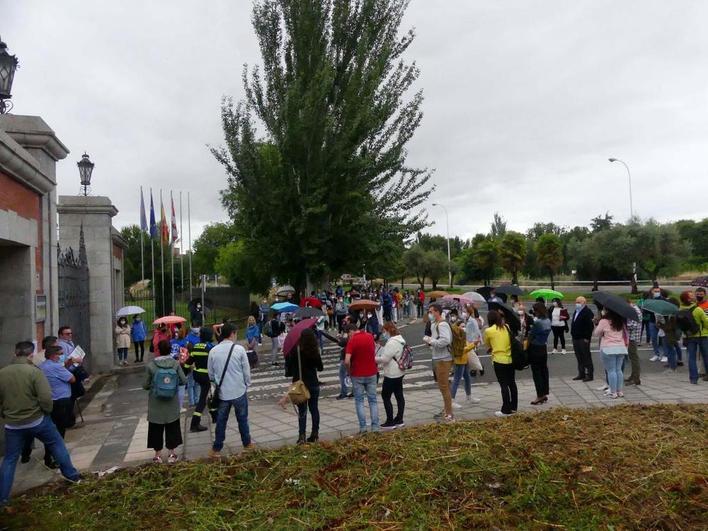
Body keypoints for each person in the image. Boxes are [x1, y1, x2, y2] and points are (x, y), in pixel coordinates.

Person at [0, 342, 81, 504]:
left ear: (15, 354)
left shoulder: (2, 373)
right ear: (31, 355)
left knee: (9, 459)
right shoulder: (34, 372)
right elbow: (45, 397)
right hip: (37, 419)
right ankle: (72, 476)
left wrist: (5, 414)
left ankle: (2, 498)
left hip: (13, 424)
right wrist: (45, 412)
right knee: (56, 443)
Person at [208, 323, 253, 457]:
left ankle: (216, 448)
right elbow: (246, 371)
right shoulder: (239, 349)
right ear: (232, 333)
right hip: (239, 390)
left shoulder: (213, 351)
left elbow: (210, 374)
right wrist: (246, 384)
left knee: (221, 421)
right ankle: (247, 444)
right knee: (242, 420)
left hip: (222, 393)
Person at [38, 345, 76, 468]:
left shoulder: (41, 367)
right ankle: (56, 457)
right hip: (61, 401)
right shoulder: (56, 367)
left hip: (50, 401)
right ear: (54, 355)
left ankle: (49, 456)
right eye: (60, 354)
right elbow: (72, 379)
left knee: (51, 430)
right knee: (59, 431)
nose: (62, 356)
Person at [286, 328, 323, 444]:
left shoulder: (295, 350)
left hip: (300, 385)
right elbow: (321, 367)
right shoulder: (314, 351)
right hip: (313, 383)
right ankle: (315, 433)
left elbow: (290, 370)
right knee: (314, 409)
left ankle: (301, 436)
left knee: (302, 411)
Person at [344, 323, 379, 433]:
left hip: (357, 374)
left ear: (351, 331)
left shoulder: (352, 341)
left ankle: (363, 428)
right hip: (372, 372)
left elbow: (346, 360)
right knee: (373, 400)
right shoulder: (369, 336)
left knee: (359, 401)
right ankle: (375, 427)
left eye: (348, 334)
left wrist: (349, 371)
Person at [422, 303, 454, 422]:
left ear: (437, 312)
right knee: (443, 386)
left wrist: (430, 340)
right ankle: (446, 410)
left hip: (443, 358)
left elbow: (445, 341)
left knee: (444, 387)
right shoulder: (434, 324)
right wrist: (430, 343)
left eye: (431, 312)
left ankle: (449, 414)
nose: (429, 314)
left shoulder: (442, 324)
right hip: (439, 357)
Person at [483, 310, 517, 417]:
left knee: (503, 385)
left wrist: (491, 347)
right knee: (512, 383)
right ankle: (513, 407)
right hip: (510, 359)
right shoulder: (506, 326)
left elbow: (487, 344)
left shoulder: (489, 331)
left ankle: (505, 410)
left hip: (498, 360)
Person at [375, 321, 406, 430]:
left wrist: (373, 359)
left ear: (388, 331)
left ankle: (390, 421)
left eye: (384, 331)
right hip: (400, 372)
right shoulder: (401, 339)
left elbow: (385, 359)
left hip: (392, 374)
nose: (383, 334)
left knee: (386, 396)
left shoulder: (392, 342)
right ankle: (399, 419)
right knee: (399, 395)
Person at [593, 309, 628, 399]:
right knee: (618, 370)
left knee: (611, 371)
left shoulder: (604, 321)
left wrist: (596, 324)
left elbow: (596, 333)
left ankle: (613, 392)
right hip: (620, 347)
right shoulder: (621, 321)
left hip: (608, 348)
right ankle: (619, 391)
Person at [186, 327, 213, 432]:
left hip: (197, 375)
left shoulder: (195, 346)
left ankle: (214, 414)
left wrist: (186, 371)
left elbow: (188, 362)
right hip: (206, 376)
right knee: (202, 400)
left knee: (206, 396)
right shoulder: (210, 347)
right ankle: (194, 423)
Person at [678, 290, 708, 384]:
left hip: (689, 336)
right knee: (706, 356)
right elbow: (706, 322)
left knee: (691, 358)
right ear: (689, 298)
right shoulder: (697, 309)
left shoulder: (680, 309)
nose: (695, 296)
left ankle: (693, 378)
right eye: (692, 295)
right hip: (702, 335)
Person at [449, 309, 477, 407]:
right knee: (457, 380)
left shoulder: (463, 336)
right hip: (459, 361)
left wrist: (473, 343)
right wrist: (473, 345)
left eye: (465, 326)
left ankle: (469, 397)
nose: (464, 328)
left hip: (465, 361)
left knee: (468, 378)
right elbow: (462, 350)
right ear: (457, 327)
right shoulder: (457, 338)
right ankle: (452, 400)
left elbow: (467, 346)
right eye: (462, 326)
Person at [528, 303, 552, 405]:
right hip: (543, 347)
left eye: (534, 310)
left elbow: (531, 335)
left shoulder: (537, 322)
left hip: (535, 347)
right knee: (543, 371)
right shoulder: (548, 320)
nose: (534, 312)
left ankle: (539, 395)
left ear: (538, 311)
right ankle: (544, 392)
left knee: (536, 372)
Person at [570, 296, 595, 381]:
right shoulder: (576, 311)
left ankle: (590, 374)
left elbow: (590, 326)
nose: (577, 304)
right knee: (579, 356)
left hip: (583, 338)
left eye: (579, 302)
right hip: (575, 337)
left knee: (586, 356)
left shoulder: (587, 312)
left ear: (584, 303)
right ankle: (581, 373)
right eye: (576, 302)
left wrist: (587, 337)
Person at [625, 299, 643, 385]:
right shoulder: (632, 309)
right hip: (630, 337)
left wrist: (624, 325)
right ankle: (633, 376)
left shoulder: (635, 310)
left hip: (633, 338)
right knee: (632, 358)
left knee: (634, 358)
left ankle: (636, 378)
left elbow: (633, 325)